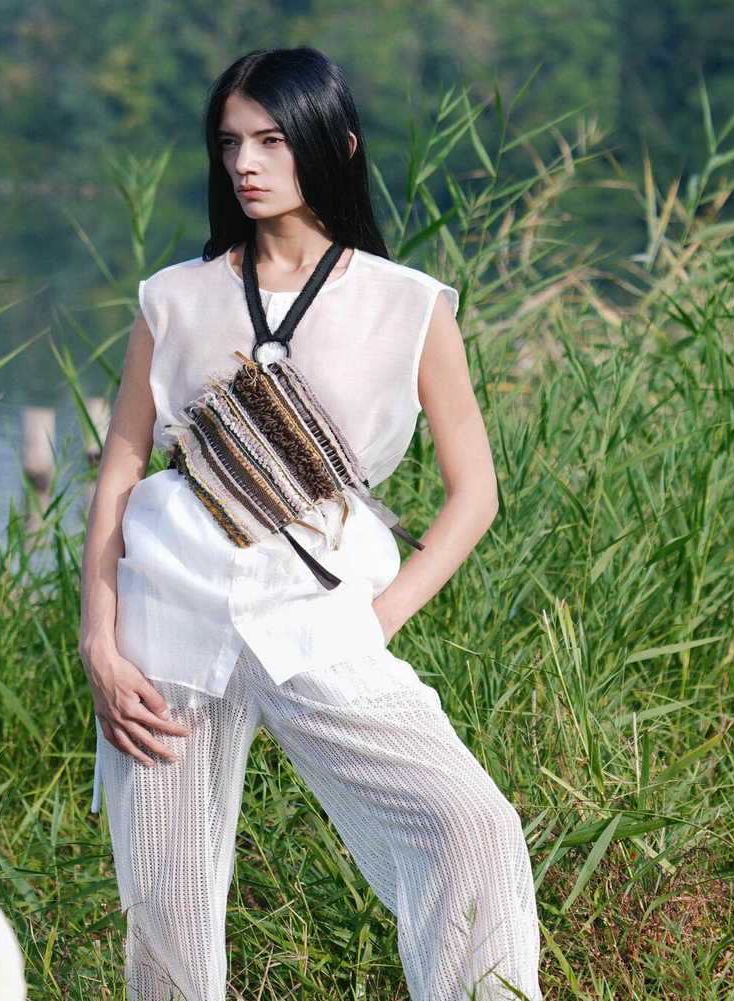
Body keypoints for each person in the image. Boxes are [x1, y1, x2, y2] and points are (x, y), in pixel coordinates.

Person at [78, 46, 542, 1001]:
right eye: (230, 143)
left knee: (475, 824)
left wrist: (381, 616)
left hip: (321, 614)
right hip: (168, 613)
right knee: (167, 914)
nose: (245, 163)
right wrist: (99, 638)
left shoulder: (408, 305)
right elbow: (121, 468)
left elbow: (477, 492)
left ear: (337, 144)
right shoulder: (174, 297)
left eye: (272, 140)